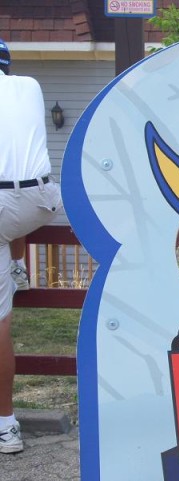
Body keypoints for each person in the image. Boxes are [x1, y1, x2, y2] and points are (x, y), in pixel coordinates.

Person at [0, 39, 62, 454]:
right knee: (12, 217)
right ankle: (18, 266)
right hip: (38, 202)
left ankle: (7, 426)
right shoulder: (29, 86)